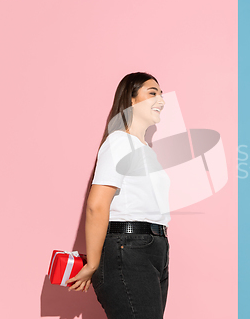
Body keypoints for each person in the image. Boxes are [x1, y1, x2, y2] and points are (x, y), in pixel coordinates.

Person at [66, 72, 170, 319]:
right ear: (132, 100)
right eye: (152, 93)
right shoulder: (119, 142)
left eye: (162, 95)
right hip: (129, 248)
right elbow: (96, 205)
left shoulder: (147, 151)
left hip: (155, 248)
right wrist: (92, 263)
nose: (162, 101)